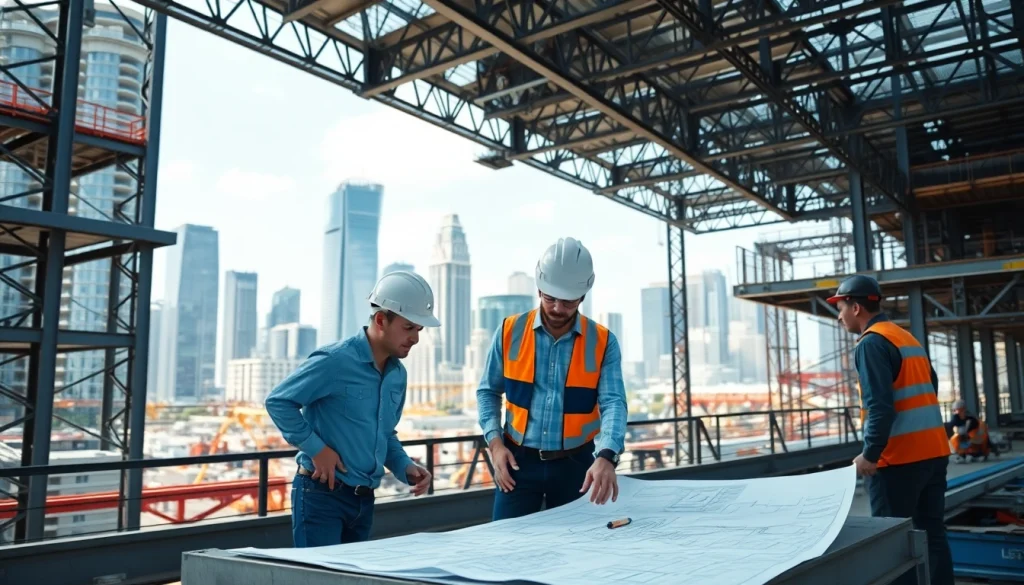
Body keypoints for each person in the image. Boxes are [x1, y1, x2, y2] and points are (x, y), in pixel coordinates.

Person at [265, 271, 440, 547]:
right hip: (321, 495)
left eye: (419, 330)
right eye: (409, 327)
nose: (416, 338)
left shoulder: (398, 375)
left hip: (364, 501)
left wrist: (404, 466)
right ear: (381, 320)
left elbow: (385, 434)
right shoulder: (334, 361)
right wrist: (317, 450)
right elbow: (278, 401)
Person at [477, 237, 628, 521]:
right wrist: (495, 445)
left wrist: (607, 456)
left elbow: (614, 403)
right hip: (517, 463)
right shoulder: (509, 331)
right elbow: (488, 392)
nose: (558, 307)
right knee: (506, 548)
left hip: (578, 466)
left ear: (583, 296)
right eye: (550, 298)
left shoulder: (604, 342)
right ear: (539, 288)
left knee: (579, 551)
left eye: (568, 301)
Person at [827, 274, 954, 585]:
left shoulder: (871, 344)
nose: (839, 315)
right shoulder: (905, 337)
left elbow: (880, 407)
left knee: (894, 544)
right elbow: (931, 386)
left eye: (840, 307)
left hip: (898, 462)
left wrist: (870, 454)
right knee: (932, 535)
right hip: (935, 453)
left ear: (855, 307)